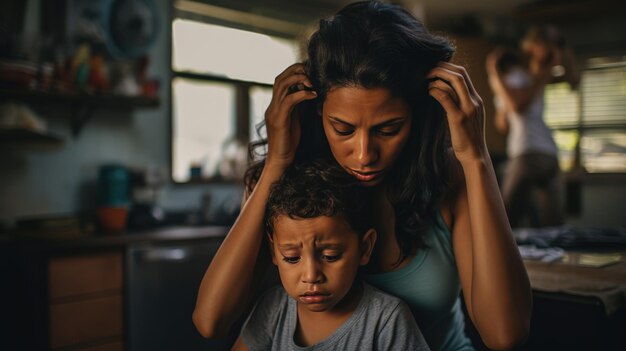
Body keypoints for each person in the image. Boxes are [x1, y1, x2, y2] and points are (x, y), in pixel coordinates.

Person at [194, 2, 532, 350]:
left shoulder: (449, 178)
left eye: (389, 129)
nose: (364, 155)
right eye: (342, 129)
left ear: (416, 117)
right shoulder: (285, 188)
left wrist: (477, 157)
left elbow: (505, 335)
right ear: (317, 110)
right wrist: (278, 161)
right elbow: (210, 321)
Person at [230, 161, 429, 350]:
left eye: (330, 255)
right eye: (291, 257)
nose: (311, 275)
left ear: (365, 248)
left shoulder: (387, 320)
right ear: (274, 251)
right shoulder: (273, 309)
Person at [486, 25, 580, 228]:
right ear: (534, 47)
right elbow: (506, 121)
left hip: (530, 153)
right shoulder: (520, 77)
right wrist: (495, 76)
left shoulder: (531, 78)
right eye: (548, 46)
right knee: (544, 224)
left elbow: (574, 80)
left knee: (509, 221)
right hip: (543, 154)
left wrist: (564, 51)